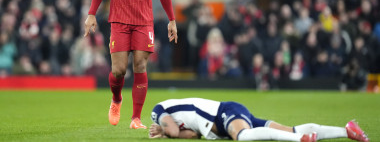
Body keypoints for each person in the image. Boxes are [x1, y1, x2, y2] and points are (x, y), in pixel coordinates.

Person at [84, 0, 178, 129]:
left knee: (140, 64)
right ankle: (116, 99)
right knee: (118, 70)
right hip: (119, 21)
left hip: (144, 21)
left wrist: (172, 19)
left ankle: (136, 118)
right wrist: (91, 13)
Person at [149, 98, 369, 142]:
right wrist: (166, 131)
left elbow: (175, 132)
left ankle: (301, 139)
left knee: (243, 137)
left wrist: (163, 130)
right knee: (289, 128)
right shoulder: (174, 117)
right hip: (229, 113)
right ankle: (346, 130)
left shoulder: (160, 110)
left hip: (225, 111)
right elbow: (192, 134)